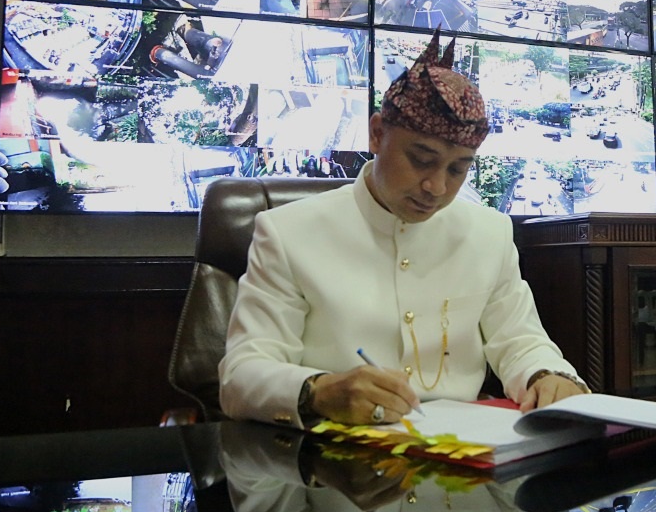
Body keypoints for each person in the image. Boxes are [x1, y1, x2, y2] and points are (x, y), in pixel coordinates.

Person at [219, 32, 588, 429]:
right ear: (377, 134)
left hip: (463, 448)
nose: (437, 187)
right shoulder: (288, 232)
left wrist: (549, 377)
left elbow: (520, 341)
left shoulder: (489, 233)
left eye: (457, 169)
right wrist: (318, 390)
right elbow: (241, 375)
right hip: (335, 454)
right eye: (421, 160)